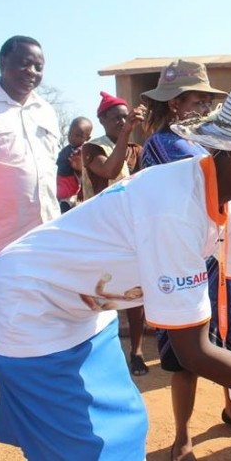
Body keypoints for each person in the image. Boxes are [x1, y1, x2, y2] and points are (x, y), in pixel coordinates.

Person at [0, 80, 231, 461]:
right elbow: (194, 353)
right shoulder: (175, 208)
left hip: (85, 307)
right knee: (84, 448)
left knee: (124, 430)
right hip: (29, 303)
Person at [140, 59, 231, 460]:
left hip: (220, 261)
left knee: (229, 345)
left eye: (206, 101)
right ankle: (182, 436)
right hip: (183, 268)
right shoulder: (163, 146)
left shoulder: (200, 142)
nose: (202, 109)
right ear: (173, 103)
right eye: (195, 101)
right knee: (185, 358)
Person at [0, 35, 60, 440]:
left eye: (38, 66)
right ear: (3, 62)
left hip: (42, 239)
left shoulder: (46, 110)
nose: (32, 73)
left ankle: (28, 394)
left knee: (36, 316)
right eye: (24, 64)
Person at [82, 91, 148, 376]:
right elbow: (109, 170)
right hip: (99, 232)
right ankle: (106, 354)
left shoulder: (136, 149)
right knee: (102, 292)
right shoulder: (92, 149)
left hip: (130, 230)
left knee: (135, 292)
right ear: (102, 120)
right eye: (116, 117)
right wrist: (127, 134)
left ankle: (137, 351)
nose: (122, 121)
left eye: (125, 116)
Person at [56, 116, 92, 213]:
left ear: (87, 138)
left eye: (78, 136)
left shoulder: (84, 151)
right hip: (61, 180)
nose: (73, 137)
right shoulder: (66, 149)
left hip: (73, 183)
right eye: (70, 133)